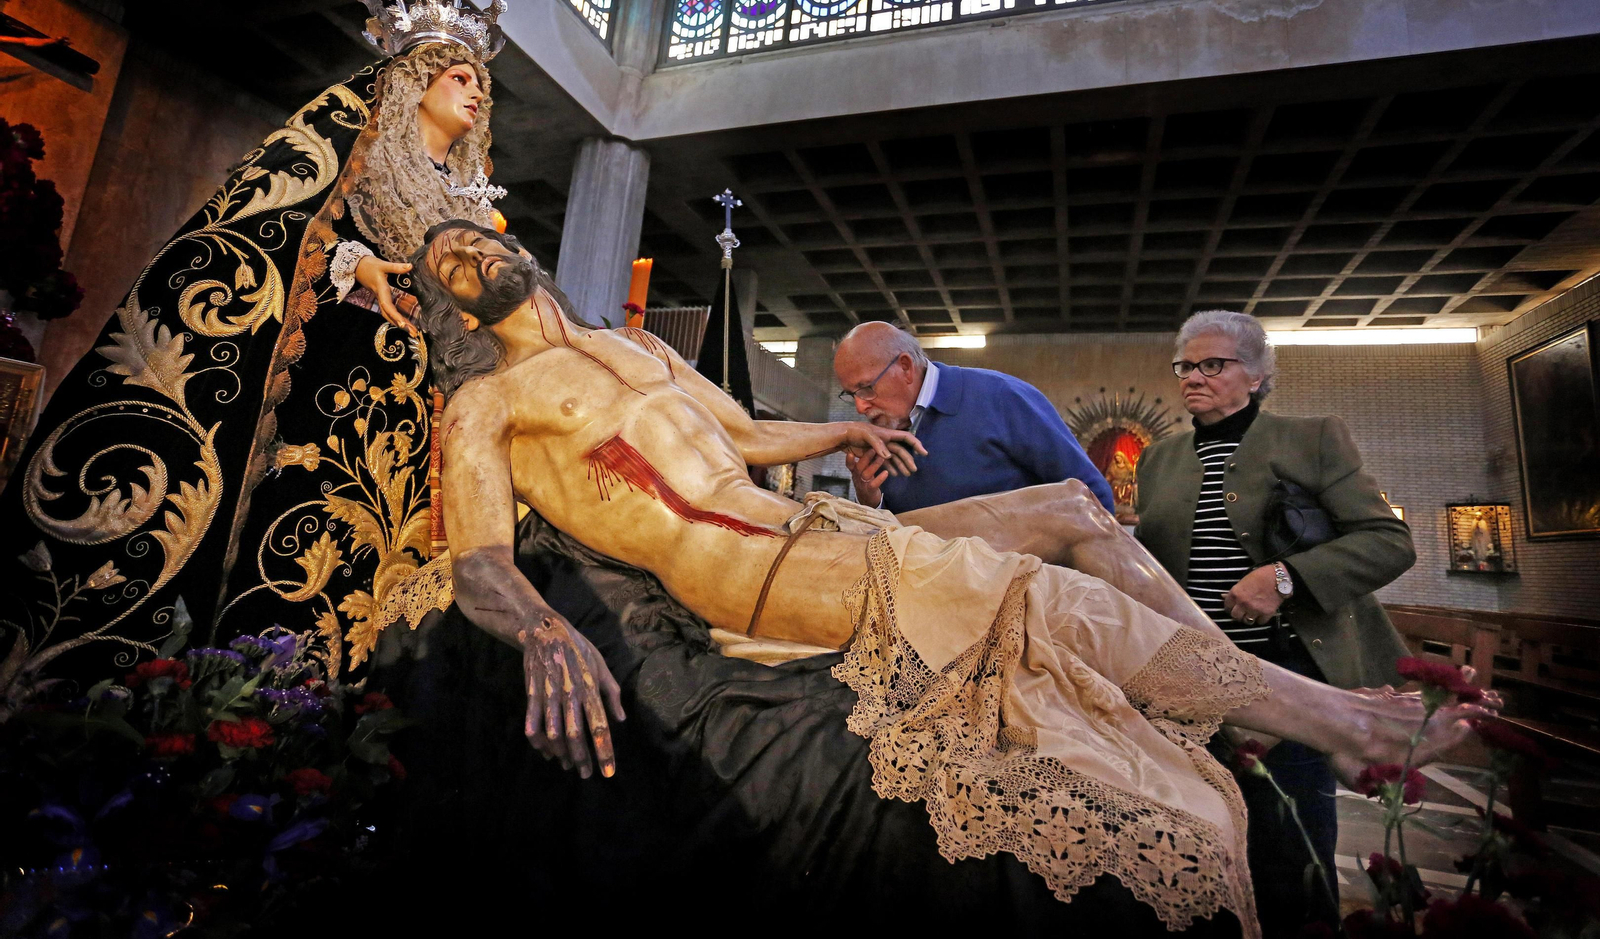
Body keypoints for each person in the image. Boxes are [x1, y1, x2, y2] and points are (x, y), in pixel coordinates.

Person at [408, 222, 1486, 938]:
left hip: (809, 524)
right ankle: (1338, 724)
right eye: (446, 264)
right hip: (746, 571)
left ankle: (1229, 706)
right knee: (1046, 596)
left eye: (474, 241)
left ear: (517, 252)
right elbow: (480, 559)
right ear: (450, 304)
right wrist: (542, 631)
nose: (468, 259)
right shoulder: (490, 402)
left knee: (1069, 512)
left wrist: (842, 432)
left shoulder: (642, 350)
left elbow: (744, 432)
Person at [0, 0, 506, 688]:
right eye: (459, 75)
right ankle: (251, 696)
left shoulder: (472, 201)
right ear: (415, 82)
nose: (476, 92)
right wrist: (355, 265)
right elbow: (272, 222)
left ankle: (347, 706)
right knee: (302, 544)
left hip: (418, 409)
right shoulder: (353, 137)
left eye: (481, 83)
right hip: (332, 389)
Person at [1135, 309, 1416, 937]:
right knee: (1196, 842)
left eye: (1213, 365)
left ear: (1257, 375)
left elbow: (1389, 542)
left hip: (1285, 678)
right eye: (1185, 366)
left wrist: (1286, 577)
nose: (1193, 377)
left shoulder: (1310, 438)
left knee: (1289, 847)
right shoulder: (1159, 459)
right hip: (1187, 683)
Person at [832, 322, 1114, 513]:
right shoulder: (882, 434)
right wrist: (871, 501)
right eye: (850, 393)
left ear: (905, 367)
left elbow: (1092, 500)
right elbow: (896, 533)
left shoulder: (1001, 397)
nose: (860, 407)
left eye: (866, 388)